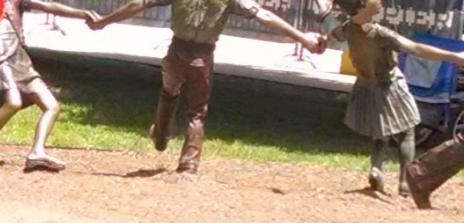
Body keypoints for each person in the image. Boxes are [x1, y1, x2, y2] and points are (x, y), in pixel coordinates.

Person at [92, 0, 326, 173]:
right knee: (197, 111)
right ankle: (188, 164)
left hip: (176, 51)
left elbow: (139, 4)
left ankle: (161, 135)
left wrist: (104, 21)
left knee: (169, 91)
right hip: (202, 57)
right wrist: (302, 38)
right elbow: (264, 16)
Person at [322, 0, 464, 196]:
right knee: (407, 131)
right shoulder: (380, 34)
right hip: (389, 85)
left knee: (381, 130)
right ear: (362, 6)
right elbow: (417, 49)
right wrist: (455, 56)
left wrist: (321, 41)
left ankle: (377, 167)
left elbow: (332, 35)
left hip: (365, 85)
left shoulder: (349, 28)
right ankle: (405, 181)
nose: (380, 2)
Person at [0, 0, 102, 170]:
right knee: (13, 102)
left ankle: (37, 152)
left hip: (20, 59)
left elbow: (48, 6)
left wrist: (82, 14)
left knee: (52, 106)